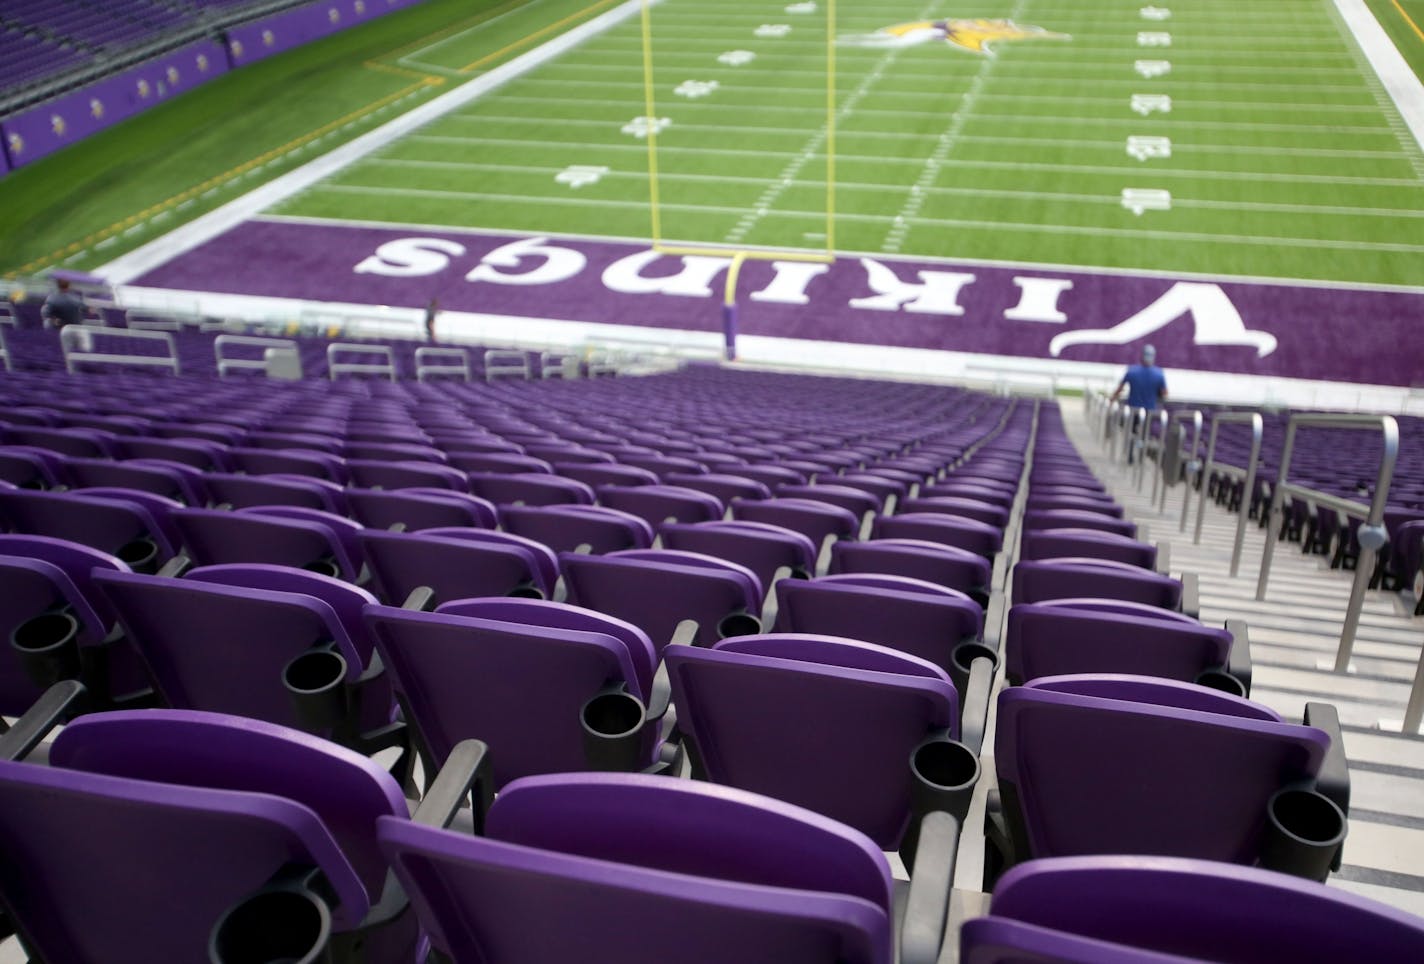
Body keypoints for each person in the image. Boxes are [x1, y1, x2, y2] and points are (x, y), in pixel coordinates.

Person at [1112, 345, 1167, 463]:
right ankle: (1141, 456)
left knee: (1131, 433)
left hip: (1133, 408)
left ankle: (1130, 455)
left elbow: (1119, 388)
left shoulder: (1132, 371)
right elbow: (1165, 393)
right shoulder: (1159, 374)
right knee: (1144, 434)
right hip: (1149, 410)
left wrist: (1112, 399)